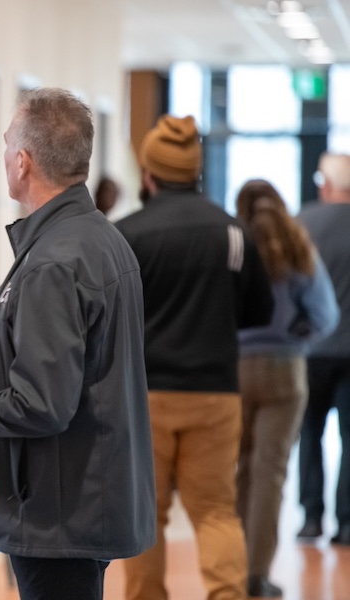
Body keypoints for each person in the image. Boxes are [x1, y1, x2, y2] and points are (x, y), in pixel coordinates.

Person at [0, 87, 155, 600]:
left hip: (56, 513)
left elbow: (41, 405)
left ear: (22, 161)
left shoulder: (55, 262)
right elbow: (78, 355)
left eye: (5, 146)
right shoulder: (96, 238)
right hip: (81, 499)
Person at [115, 115, 275, 600]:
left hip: (145, 398)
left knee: (147, 512)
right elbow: (259, 311)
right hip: (216, 394)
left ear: (149, 173)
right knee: (216, 511)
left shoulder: (128, 234)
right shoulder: (231, 232)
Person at [233, 179, 338, 598]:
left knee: (238, 472)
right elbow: (325, 313)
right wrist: (300, 333)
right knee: (270, 474)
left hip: (235, 370)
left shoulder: (235, 250)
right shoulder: (298, 247)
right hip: (286, 369)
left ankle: (233, 566)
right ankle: (257, 574)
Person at [297, 152, 350, 547]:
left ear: (326, 185)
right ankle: (347, 523)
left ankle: (311, 517)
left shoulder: (303, 224)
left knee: (310, 432)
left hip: (311, 348)